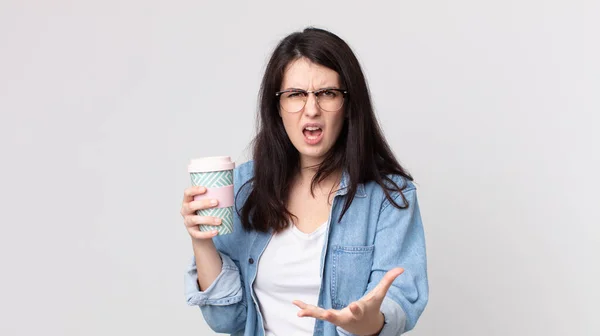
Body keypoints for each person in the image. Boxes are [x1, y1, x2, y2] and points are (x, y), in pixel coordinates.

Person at [181, 27, 428, 336]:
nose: (312, 109)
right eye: (296, 95)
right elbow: (226, 320)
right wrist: (202, 242)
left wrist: (366, 321)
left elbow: (398, 303)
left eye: (327, 93)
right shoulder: (245, 187)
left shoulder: (389, 197)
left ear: (349, 104)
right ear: (277, 107)